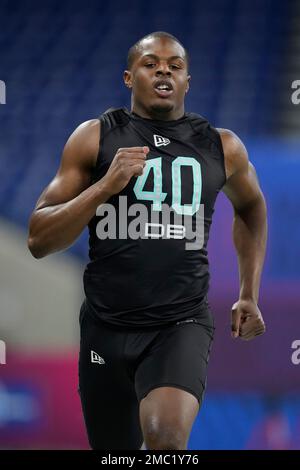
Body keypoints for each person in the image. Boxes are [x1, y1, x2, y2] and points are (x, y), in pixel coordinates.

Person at [27, 31, 267, 450]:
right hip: (105, 326)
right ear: (128, 77)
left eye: (175, 66)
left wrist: (249, 292)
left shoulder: (221, 146)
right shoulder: (95, 137)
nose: (163, 71)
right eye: (151, 63)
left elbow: (251, 208)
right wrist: (105, 186)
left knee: (165, 441)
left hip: (180, 324)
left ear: (187, 82)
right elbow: (39, 239)